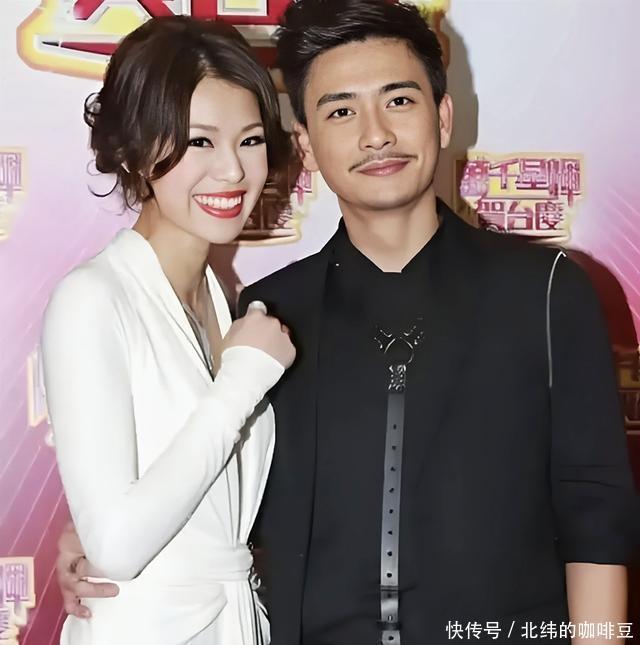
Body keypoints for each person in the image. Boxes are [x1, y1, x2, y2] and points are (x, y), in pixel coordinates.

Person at [56, 1, 638, 643]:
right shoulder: (266, 319)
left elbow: (595, 518)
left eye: (399, 101)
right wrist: (90, 533)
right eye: (340, 111)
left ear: (443, 117)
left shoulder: (548, 292)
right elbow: (219, 492)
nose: (376, 135)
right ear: (305, 143)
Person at [41, 16, 294, 645]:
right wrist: (239, 385)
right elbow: (116, 545)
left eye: (250, 140)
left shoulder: (227, 304)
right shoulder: (92, 298)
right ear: (133, 150)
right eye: (199, 141)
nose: (232, 171)